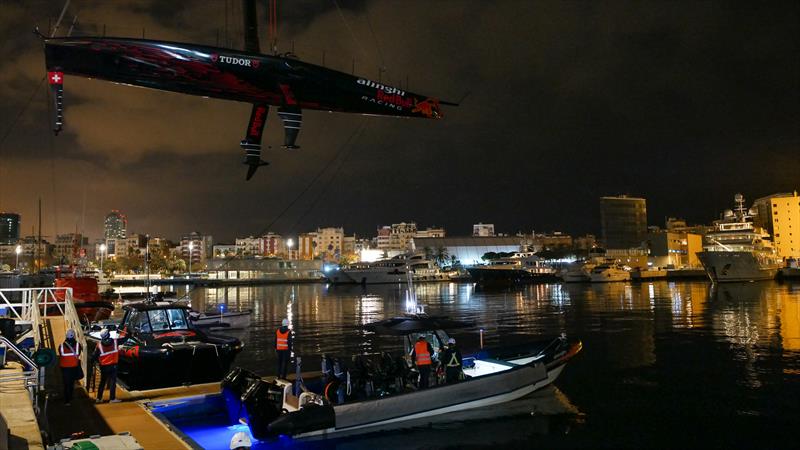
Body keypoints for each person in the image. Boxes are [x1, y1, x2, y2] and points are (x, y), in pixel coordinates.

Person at [92, 328, 121, 403]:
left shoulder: (99, 345)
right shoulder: (115, 341)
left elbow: (94, 356)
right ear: (108, 334)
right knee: (112, 382)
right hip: (113, 365)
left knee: (102, 382)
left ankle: (99, 398)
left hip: (104, 366)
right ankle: (112, 398)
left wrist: (96, 362)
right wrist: (130, 334)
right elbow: (124, 339)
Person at [58, 329, 81, 406]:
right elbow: (78, 354)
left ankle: (67, 401)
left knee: (66, 384)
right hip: (74, 367)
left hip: (64, 368)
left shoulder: (61, 346)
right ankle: (70, 397)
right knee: (71, 383)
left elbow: (60, 354)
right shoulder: (78, 345)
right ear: (74, 336)